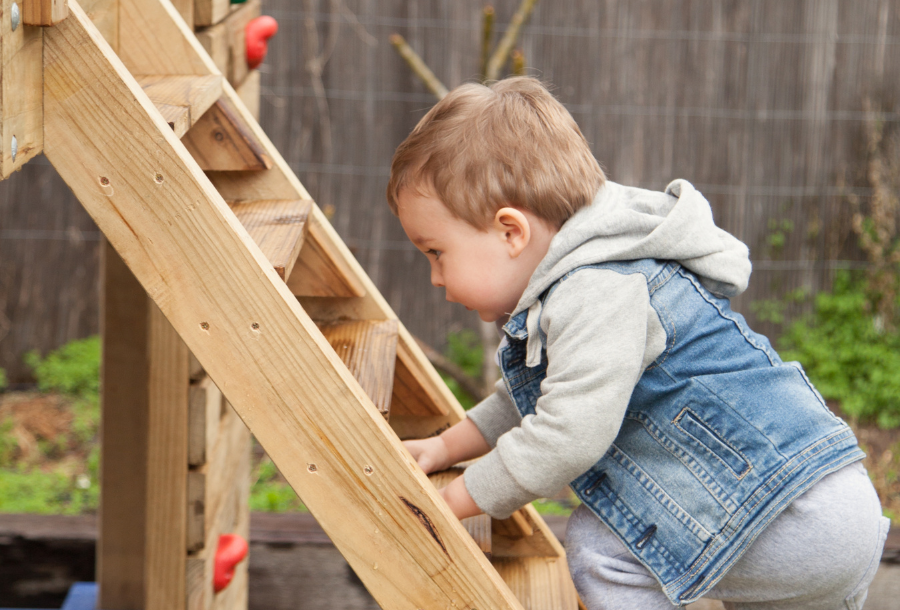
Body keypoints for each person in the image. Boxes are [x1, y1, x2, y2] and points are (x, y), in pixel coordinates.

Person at [386, 77, 890, 609]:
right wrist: (447, 447)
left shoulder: (593, 290)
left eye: (436, 252)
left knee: (600, 547)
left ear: (511, 232)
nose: (435, 278)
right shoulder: (602, 269)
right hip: (820, 497)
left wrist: (455, 499)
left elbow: (567, 434)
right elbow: (540, 397)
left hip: (788, 514)